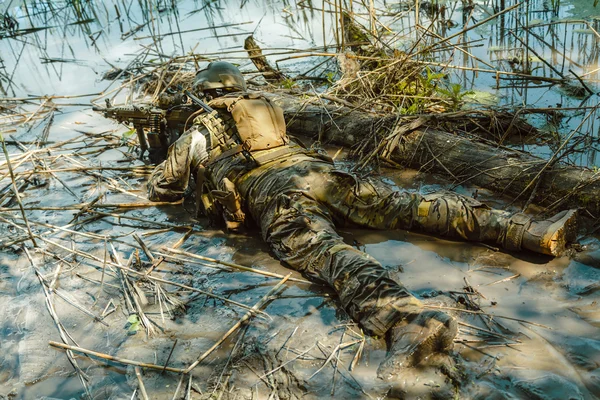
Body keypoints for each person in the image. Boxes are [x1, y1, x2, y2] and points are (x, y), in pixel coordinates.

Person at [147, 61, 578, 378]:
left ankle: (407, 321)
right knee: (411, 205)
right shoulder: (264, 108)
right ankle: (530, 232)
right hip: (320, 173)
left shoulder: (199, 130)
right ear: (239, 88)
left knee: (328, 253)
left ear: (201, 93)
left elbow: (162, 189)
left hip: (278, 196)